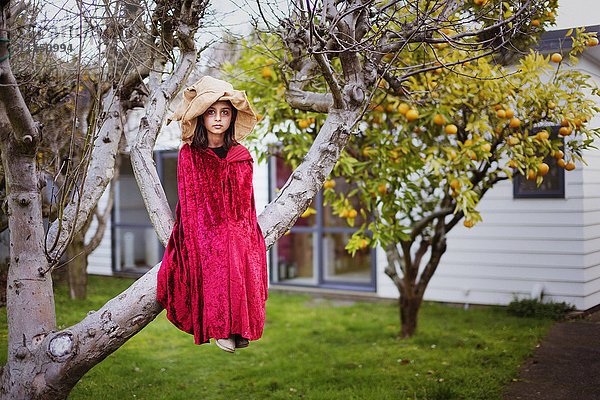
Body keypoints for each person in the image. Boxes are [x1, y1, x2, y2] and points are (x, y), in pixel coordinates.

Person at [157, 76, 268, 353]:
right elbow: (191, 198)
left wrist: (243, 231)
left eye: (225, 112)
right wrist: (209, 231)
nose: (218, 119)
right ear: (201, 117)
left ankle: (240, 324)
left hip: (238, 224)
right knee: (219, 250)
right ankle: (220, 327)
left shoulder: (241, 155)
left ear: (231, 118)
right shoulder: (190, 154)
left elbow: (246, 202)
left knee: (241, 248)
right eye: (211, 112)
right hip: (203, 225)